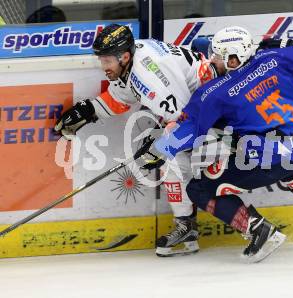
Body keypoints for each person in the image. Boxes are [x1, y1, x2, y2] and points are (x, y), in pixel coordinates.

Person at [145, 26, 293, 263]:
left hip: (266, 158)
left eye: (217, 56)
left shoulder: (215, 91)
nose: (212, 61)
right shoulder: (274, 59)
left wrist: (160, 149)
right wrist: (282, 47)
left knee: (198, 189)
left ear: (233, 58)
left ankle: (259, 229)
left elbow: (190, 129)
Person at [54, 24, 218, 257]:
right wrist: (88, 111)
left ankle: (196, 224)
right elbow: (121, 98)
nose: (104, 67)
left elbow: (185, 119)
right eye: (102, 60)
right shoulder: (130, 64)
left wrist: (161, 143)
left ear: (125, 56)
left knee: (173, 159)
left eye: (107, 61)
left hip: (215, 105)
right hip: (194, 105)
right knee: (168, 157)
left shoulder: (150, 77)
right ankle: (187, 226)